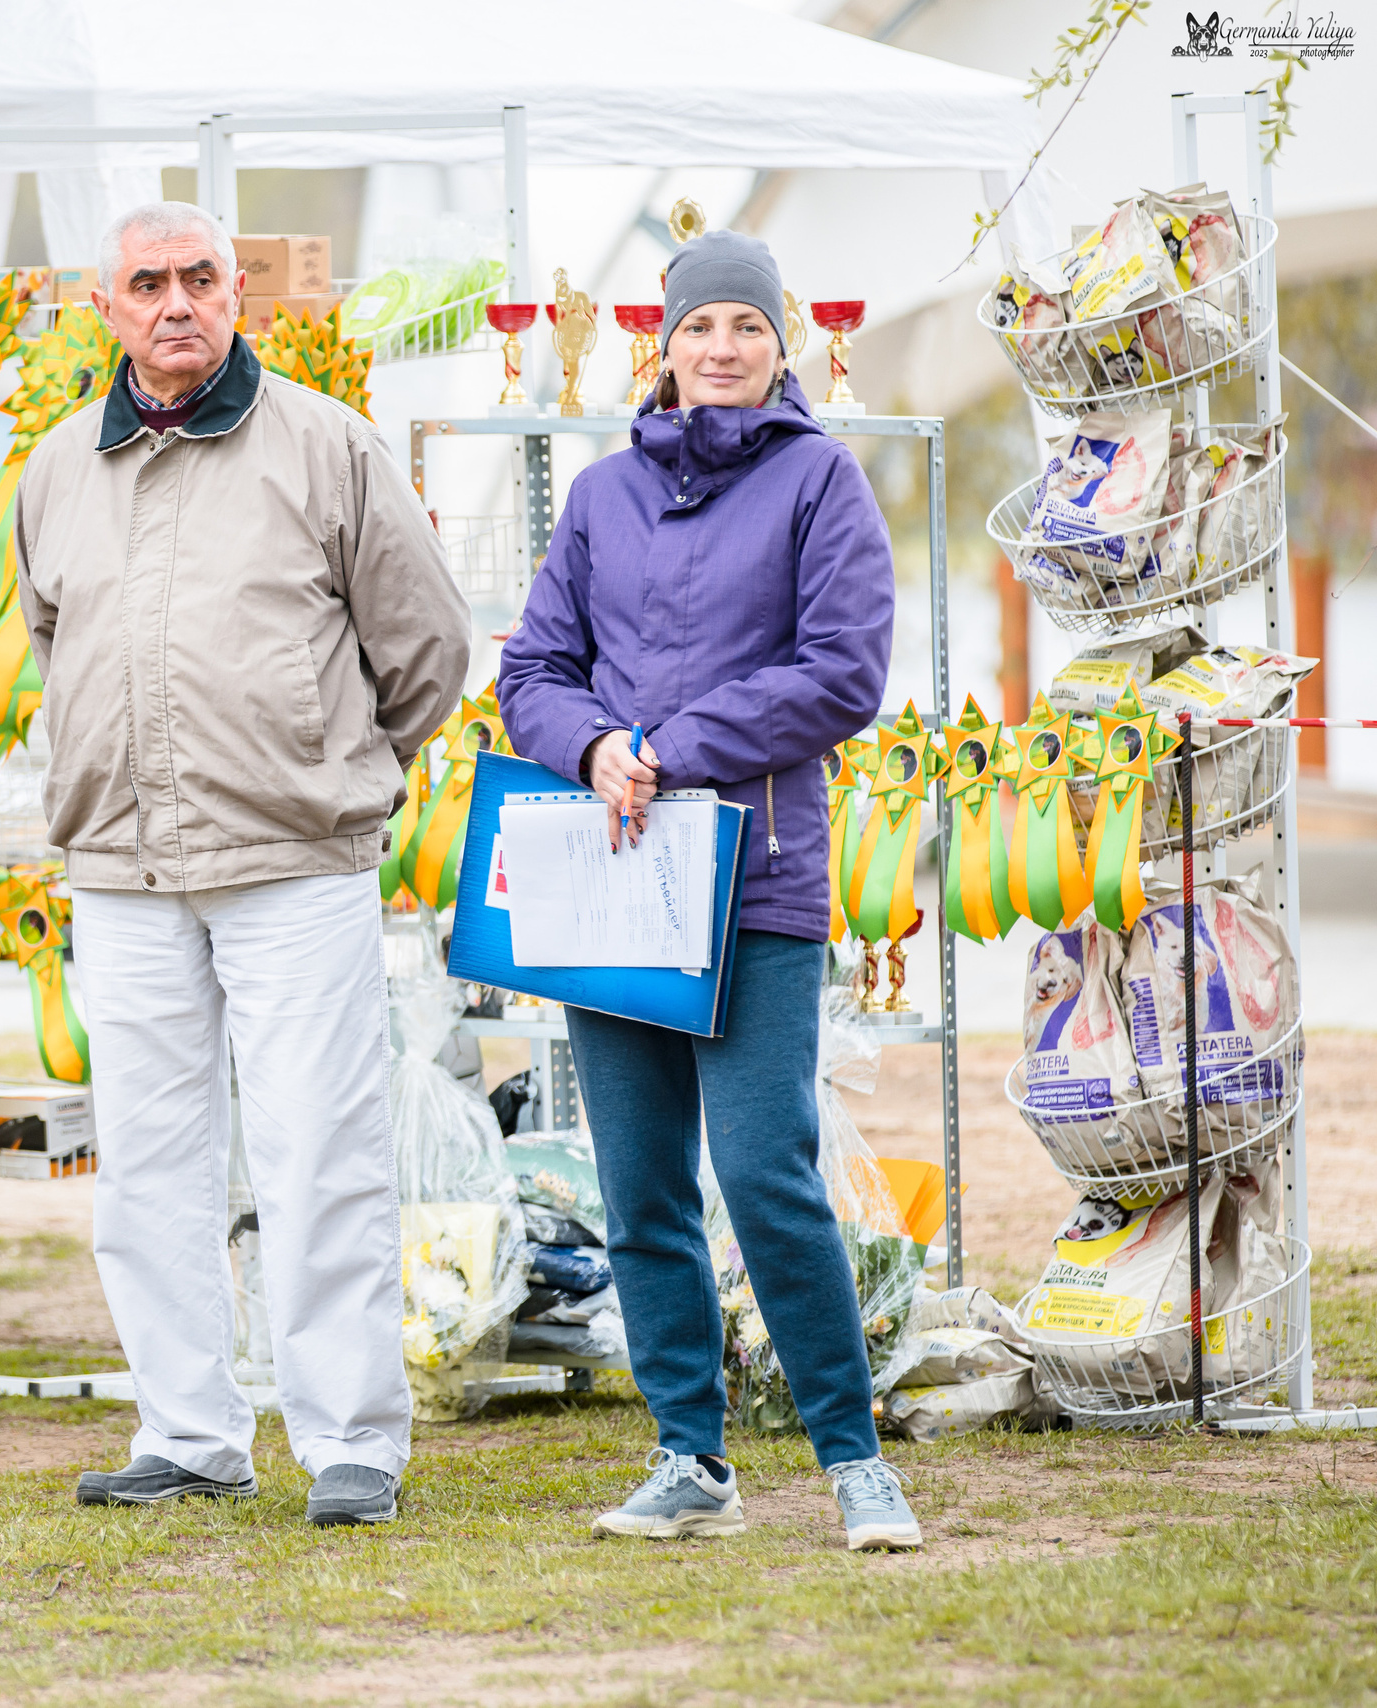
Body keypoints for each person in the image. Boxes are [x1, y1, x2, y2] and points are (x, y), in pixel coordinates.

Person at [14, 202, 469, 1528]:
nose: (175, 303)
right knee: (149, 1165)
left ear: (237, 296)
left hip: (294, 861)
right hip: (121, 872)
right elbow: (54, 646)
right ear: (104, 309)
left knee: (317, 1150)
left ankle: (351, 1444)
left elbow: (428, 648)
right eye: (146, 283)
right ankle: (189, 1432)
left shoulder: (329, 448)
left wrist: (326, 771)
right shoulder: (53, 472)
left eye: (199, 278)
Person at [498, 229, 919, 1552]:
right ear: (661, 347)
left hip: (759, 880)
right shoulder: (603, 496)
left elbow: (844, 673)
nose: (722, 348)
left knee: (765, 1170)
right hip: (614, 884)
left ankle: (854, 1462)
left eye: (745, 324)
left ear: (781, 343)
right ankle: (692, 1458)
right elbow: (532, 668)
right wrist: (594, 747)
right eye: (699, 328)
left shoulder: (822, 484)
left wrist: (676, 748)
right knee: (640, 1192)